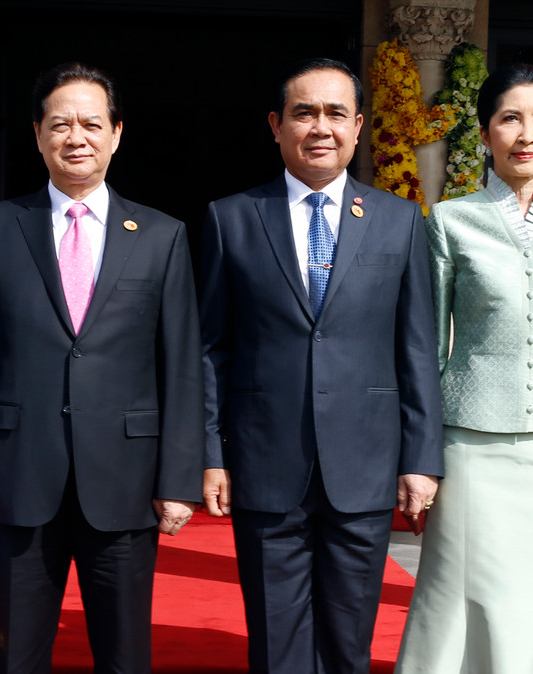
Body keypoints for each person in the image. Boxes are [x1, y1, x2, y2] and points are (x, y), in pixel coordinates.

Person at [0, 62, 204, 674]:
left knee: (123, 653)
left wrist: (179, 478)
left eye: (91, 123)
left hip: (125, 481)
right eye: (60, 124)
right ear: (37, 134)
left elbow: (182, 365)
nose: (76, 137)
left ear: (117, 133)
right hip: (18, 476)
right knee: (18, 653)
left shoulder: (162, 236)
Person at [198, 57, 444, 673]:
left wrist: (421, 459)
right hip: (264, 463)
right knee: (276, 646)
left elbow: (416, 349)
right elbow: (209, 349)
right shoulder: (231, 219)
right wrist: (210, 451)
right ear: (277, 125)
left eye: (336, 113)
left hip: (364, 466)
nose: (320, 127)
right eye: (304, 113)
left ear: (358, 127)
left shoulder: (399, 220)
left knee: (348, 645)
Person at [395, 65, 533, 674]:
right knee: (462, 591)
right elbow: (426, 347)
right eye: (510, 118)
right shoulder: (450, 220)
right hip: (469, 445)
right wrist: (419, 454)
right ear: (486, 131)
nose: (526, 133)